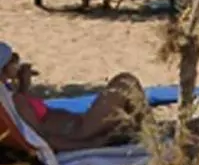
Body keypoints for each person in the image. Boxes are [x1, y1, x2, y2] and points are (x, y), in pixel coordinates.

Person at [0, 42, 149, 153]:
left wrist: (24, 84)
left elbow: (27, 112)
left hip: (78, 126)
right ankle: (150, 134)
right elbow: (43, 138)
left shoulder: (8, 94)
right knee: (125, 82)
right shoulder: (15, 100)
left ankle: (146, 134)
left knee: (125, 88)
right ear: (5, 68)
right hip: (79, 131)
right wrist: (92, 144)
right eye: (14, 60)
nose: (18, 63)